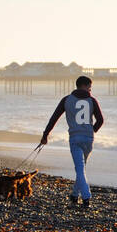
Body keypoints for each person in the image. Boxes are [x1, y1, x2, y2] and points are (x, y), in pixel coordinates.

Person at [40, 75, 105, 207]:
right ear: (84, 86)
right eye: (90, 87)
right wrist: (92, 130)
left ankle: (86, 198)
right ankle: (75, 195)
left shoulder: (66, 100)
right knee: (81, 168)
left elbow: (54, 119)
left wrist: (45, 135)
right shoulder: (92, 100)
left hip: (75, 138)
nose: (90, 90)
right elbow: (101, 120)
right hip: (88, 139)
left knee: (80, 169)